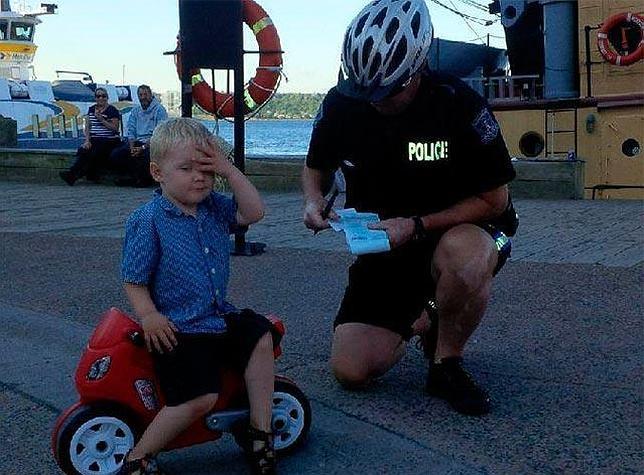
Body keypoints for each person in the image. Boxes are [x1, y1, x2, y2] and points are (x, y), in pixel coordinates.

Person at [302, 0, 518, 417]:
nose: (376, 101)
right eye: (366, 91)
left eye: (389, 91)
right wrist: (313, 202)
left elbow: (496, 201)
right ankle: (432, 312)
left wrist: (417, 225)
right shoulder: (342, 104)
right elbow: (315, 170)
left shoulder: (460, 105)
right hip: (385, 240)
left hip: (464, 230)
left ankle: (446, 362)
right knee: (352, 371)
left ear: (418, 66)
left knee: (465, 259)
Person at [119, 118, 278, 474]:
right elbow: (133, 278)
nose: (199, 177)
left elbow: (254, 212)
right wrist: (149, 316)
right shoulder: (149, 220)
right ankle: (137, 458)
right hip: (179, 326)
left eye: (207, 170)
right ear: (158, 172)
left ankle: (260, 430)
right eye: (187, 168)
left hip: (217, 315)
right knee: (200, 397)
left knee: (261, 336)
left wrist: (229, 170)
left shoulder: (214, 206)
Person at [59, 87, 122, 185]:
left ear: (107, 97)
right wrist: (87, 140)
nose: (101, 98)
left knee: (95, 151)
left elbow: (115, 128)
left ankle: (74, 175)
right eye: (98, 96)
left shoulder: (112, 110)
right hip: (95, 139)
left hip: (109, 140)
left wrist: (101, 119)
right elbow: (88, 125)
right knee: (83, 150)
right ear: (95, 98)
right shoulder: (92, 109)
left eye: (103, 96)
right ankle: (81, 174)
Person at [110, 84, 168, 187]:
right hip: (137, 141)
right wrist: (132, 146)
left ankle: (144, 181)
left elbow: (159, 133)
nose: (143, 97)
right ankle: (128, 178)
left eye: (145, 94)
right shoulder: (136, 111)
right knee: (117, 153)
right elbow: (131, 129)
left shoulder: (160, 110)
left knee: (145, 155)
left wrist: (142, 147)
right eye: (140, 95)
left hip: (152, 142)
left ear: (151, 95)